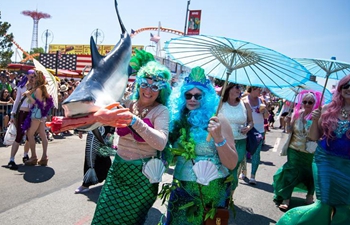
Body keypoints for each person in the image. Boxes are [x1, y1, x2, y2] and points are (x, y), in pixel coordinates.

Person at [91, 51, 172, 225]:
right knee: (103, 216)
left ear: (161, 90)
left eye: (155, 86)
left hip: (142, 178)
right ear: (138, 84)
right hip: (118, 172)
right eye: (145, 83)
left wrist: (134, 121)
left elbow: (160, 143)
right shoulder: (128, 103)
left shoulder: (161, 111)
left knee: (130, 221)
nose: (148, 90)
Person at [164, 67, 238, 225]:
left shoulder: (219, 120)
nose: (192, 99)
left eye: (198, 95)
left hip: (212, 189)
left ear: (206, 97)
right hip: (182, 186)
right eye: (188, 95)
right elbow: (171, 160)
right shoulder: (176, 120)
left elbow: (232, 163)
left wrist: (218, 138)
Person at [277, 75, 350, 225]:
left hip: (347, 166)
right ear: (341, 88)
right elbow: (314, 137)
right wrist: (316, 120)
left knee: (344, 207)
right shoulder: (327, 109)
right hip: (326, 161)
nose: (349, 89)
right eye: (346, 85)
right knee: (324, 203)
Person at [273, 90, 323, 211]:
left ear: (314, 103)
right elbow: (290, 130)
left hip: (309, 152)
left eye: (310, 102)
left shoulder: (318, 116)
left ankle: (310, 196)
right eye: (304, 101)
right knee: (291, 172)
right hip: (294, 149)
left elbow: (320, 134)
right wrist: (287, 123)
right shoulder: (296, 114)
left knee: (310, 173)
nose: (307, 104)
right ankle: (286, 198)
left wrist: (315, 122)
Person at [219, 83, 253, 193]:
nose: (240, 90)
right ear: (229, 88)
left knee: (234, 166)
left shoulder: (245, 104)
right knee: (223, 167)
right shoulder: (220, 103)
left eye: (241, 88)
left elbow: (251, 122)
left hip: (240, 141)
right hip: (224, 141)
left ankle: (230, 194)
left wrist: (248, 128)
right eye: (237, 87)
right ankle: (220, 193)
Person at [22, 70, 54, 166]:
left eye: (34, 76)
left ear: (38, 78)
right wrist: (29, 93)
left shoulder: (39, 89)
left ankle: (34, 157)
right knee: (42, 134)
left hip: (37, 114)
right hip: (41, 115)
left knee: (30, 134)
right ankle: (44, 157)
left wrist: (29, 96)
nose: (33, 78)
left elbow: (38, 104)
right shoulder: (40, 88)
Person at [5, 70, 35, 170]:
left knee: (29, 136)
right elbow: (17, 101)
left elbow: (34, 102)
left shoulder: (35, 88)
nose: (32, 78)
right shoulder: (21, 87)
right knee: (19, 136)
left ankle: (26, 155)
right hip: (22, 113)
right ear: (27, 76)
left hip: (31, 114)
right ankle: (11, 159)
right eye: (31, 76)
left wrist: (31, 93)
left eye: (34, 76)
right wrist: (13, 114)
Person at [241, 86, 269, 184]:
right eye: (258, 90)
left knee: (256, 153)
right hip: (247, 130)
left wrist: (264, 111)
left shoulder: (261, 100)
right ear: (252, 89)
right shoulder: (244, 100)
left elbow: (267, 116)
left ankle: (253, 176)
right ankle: (243, 171)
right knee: (243, 152)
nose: (260, 92)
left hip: (259, 130)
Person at [75, 126, 115, 194]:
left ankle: (110, 179)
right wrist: (80, 130)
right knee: (90, 157)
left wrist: (110, 131)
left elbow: (113, 117)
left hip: (105, 131)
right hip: (93, 132)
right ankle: (86, 184)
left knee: (104, 157)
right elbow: (86, 117)